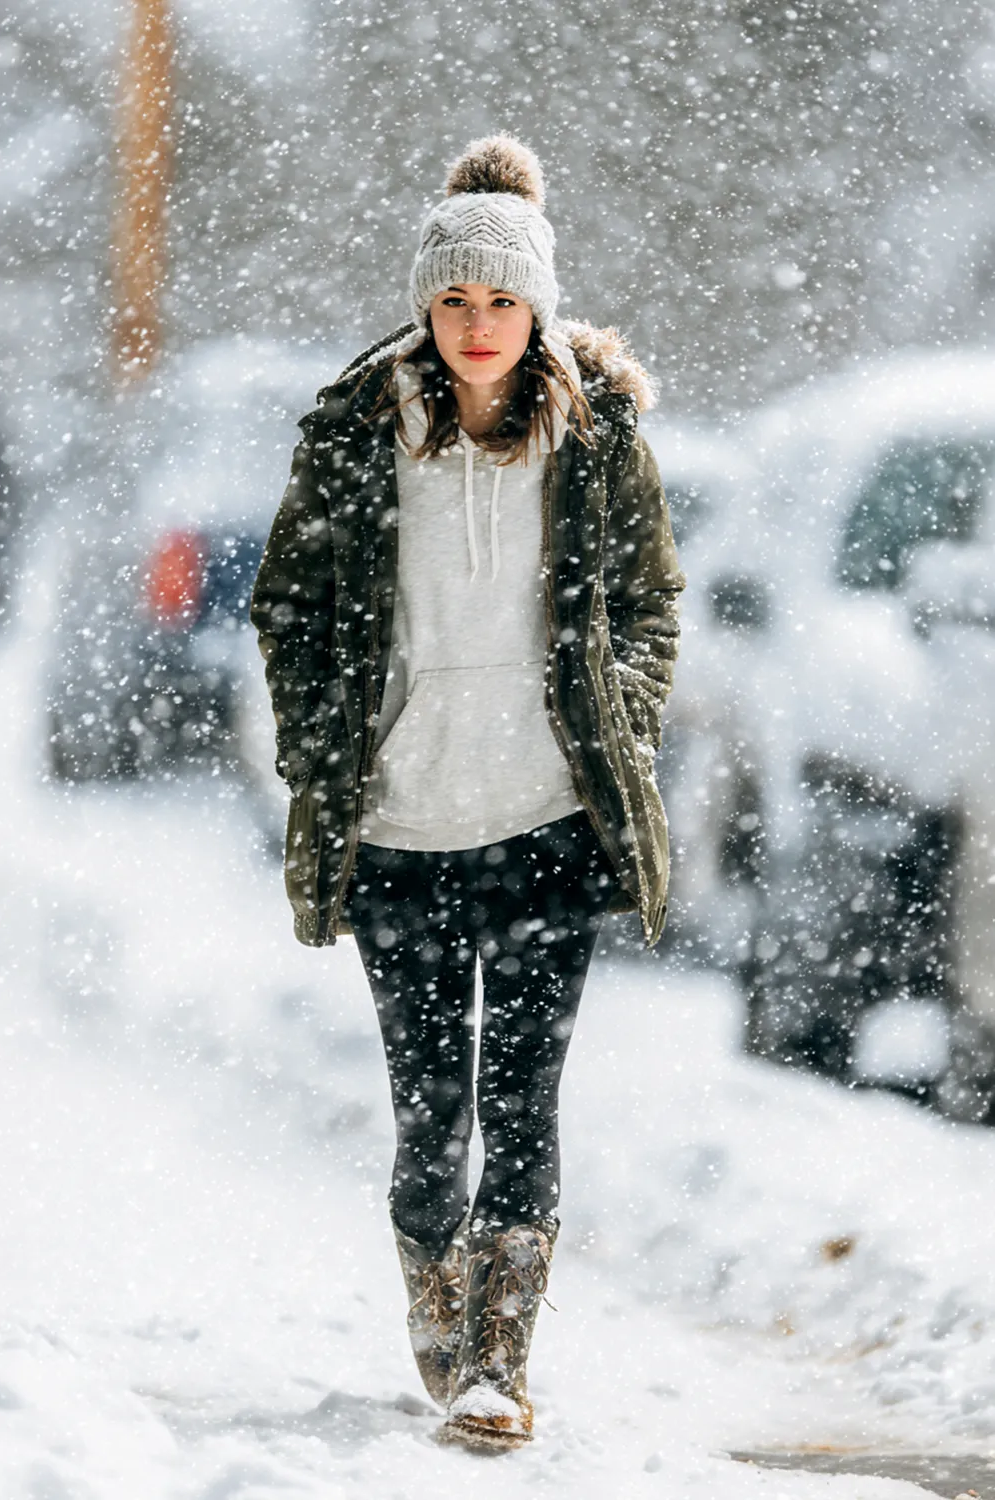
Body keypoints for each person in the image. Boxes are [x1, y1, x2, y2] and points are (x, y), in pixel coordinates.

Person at [251, 135, 685, 1451]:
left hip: (549, 828)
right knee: (431, 1109)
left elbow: (650, 600)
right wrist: (329, 738)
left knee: (523, 1101)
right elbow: (289, 605)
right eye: (455, 301)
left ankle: (500, 1360)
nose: (478, 325)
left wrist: (623, 716)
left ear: (537, 304)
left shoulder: (596, 436)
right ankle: (440, 1335)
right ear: (426, 305)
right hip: (402, 834)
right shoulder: (358, 432)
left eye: (501, 301)